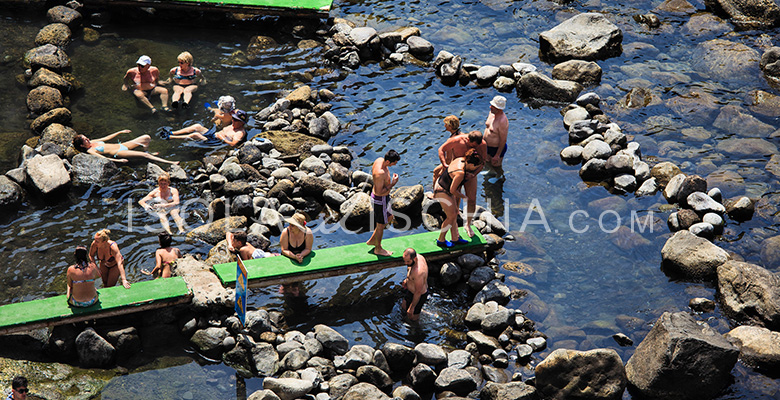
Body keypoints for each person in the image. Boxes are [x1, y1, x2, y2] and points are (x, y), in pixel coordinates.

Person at [437, 130, 488, 237]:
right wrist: (444, 164)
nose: (472, 147)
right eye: (471, 145)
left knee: (472, 200)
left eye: (475, 146)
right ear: (468, 139)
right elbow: (441, 149)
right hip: (457, 173)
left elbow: (483, 161)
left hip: (471, 174)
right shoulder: (456, 140)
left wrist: (474, 174)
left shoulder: (482, 144)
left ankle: (468, 224)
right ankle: (454, 227)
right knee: (455, 199)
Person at [434, 149, 482, 246]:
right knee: (451, 216)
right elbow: (453, 190)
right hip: (442, 190)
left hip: (444, 186)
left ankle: (455, 238)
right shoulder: (460, 172)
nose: (475, 169)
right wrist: (464, 197)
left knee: (455, 213)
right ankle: (441, 240)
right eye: (475, 167)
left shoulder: (460, 159)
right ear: (471, 164)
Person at [72, 131, 179, 165]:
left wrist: (120, 132)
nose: (88, 140)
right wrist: (118, 160)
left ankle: (148, 151)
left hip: (123, 145)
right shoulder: (91, 150)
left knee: (146, 138)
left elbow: (107, 137)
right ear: (82, 145)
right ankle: (170, 162)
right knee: (145, 156)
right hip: (118, 152)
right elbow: (103, 158)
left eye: (87, 138)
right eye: (86, 140)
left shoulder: (93, 141)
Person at [166, 109, 248, 147]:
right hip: (213, 135)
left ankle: (171, 137)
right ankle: (172, 132)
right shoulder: (234, 124)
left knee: (196, 135)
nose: (233, 121)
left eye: (236, 120)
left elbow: (233, 144)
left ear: (241, 123)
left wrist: (223, 139)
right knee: (197, 126)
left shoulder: (239, 133)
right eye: (233, 118)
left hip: (215, 141)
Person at [430, 115, 462, 196]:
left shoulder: (451, 140)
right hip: (461, 163)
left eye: (446, 124)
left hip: (454, 164)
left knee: (436, 172)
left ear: (450, 126)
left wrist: (443, 170)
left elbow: (448, 159)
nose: (444, 125)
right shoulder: (462, 135)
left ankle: (435, 195)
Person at [484, 95, 508, 182]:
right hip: (487, 146)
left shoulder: (502, 121)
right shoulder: (491, 113)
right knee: (487, 162)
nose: (490, 107)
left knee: (496, 166)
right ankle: (489, 177)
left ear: (499, 109)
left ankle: (499, 179)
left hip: (496, 148)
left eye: (493, 106)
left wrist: (497, 155)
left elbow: (503, 140)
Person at [400, 248, 428, 321]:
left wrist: (412, 307)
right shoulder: (419, 257)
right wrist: (407, 280)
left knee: (412, 317)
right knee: (404, 305)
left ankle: (415, 329)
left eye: (408, 261)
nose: (405, 263)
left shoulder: (418, 273)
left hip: (419, 295)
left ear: (414, 258)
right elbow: (410, 269)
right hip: (411, 290)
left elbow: (418, 292)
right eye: (404, 261)